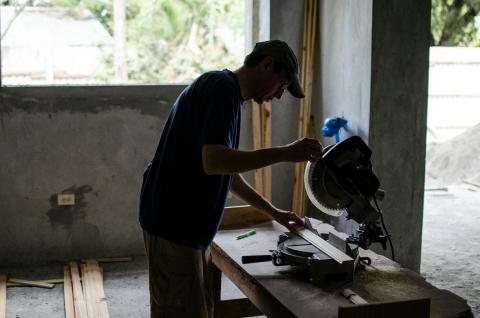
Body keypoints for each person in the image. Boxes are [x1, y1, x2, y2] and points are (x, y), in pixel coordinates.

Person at [138, 40, 323, 318]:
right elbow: (214, 162)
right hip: (173, 227)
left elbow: (227, 173)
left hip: (186, 230)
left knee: (197, 308)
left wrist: (273, 212)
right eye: (282, 85)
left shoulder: (230, 97)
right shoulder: (220, 90)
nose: (279, 95)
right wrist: (285, 152)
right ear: (267, 65)